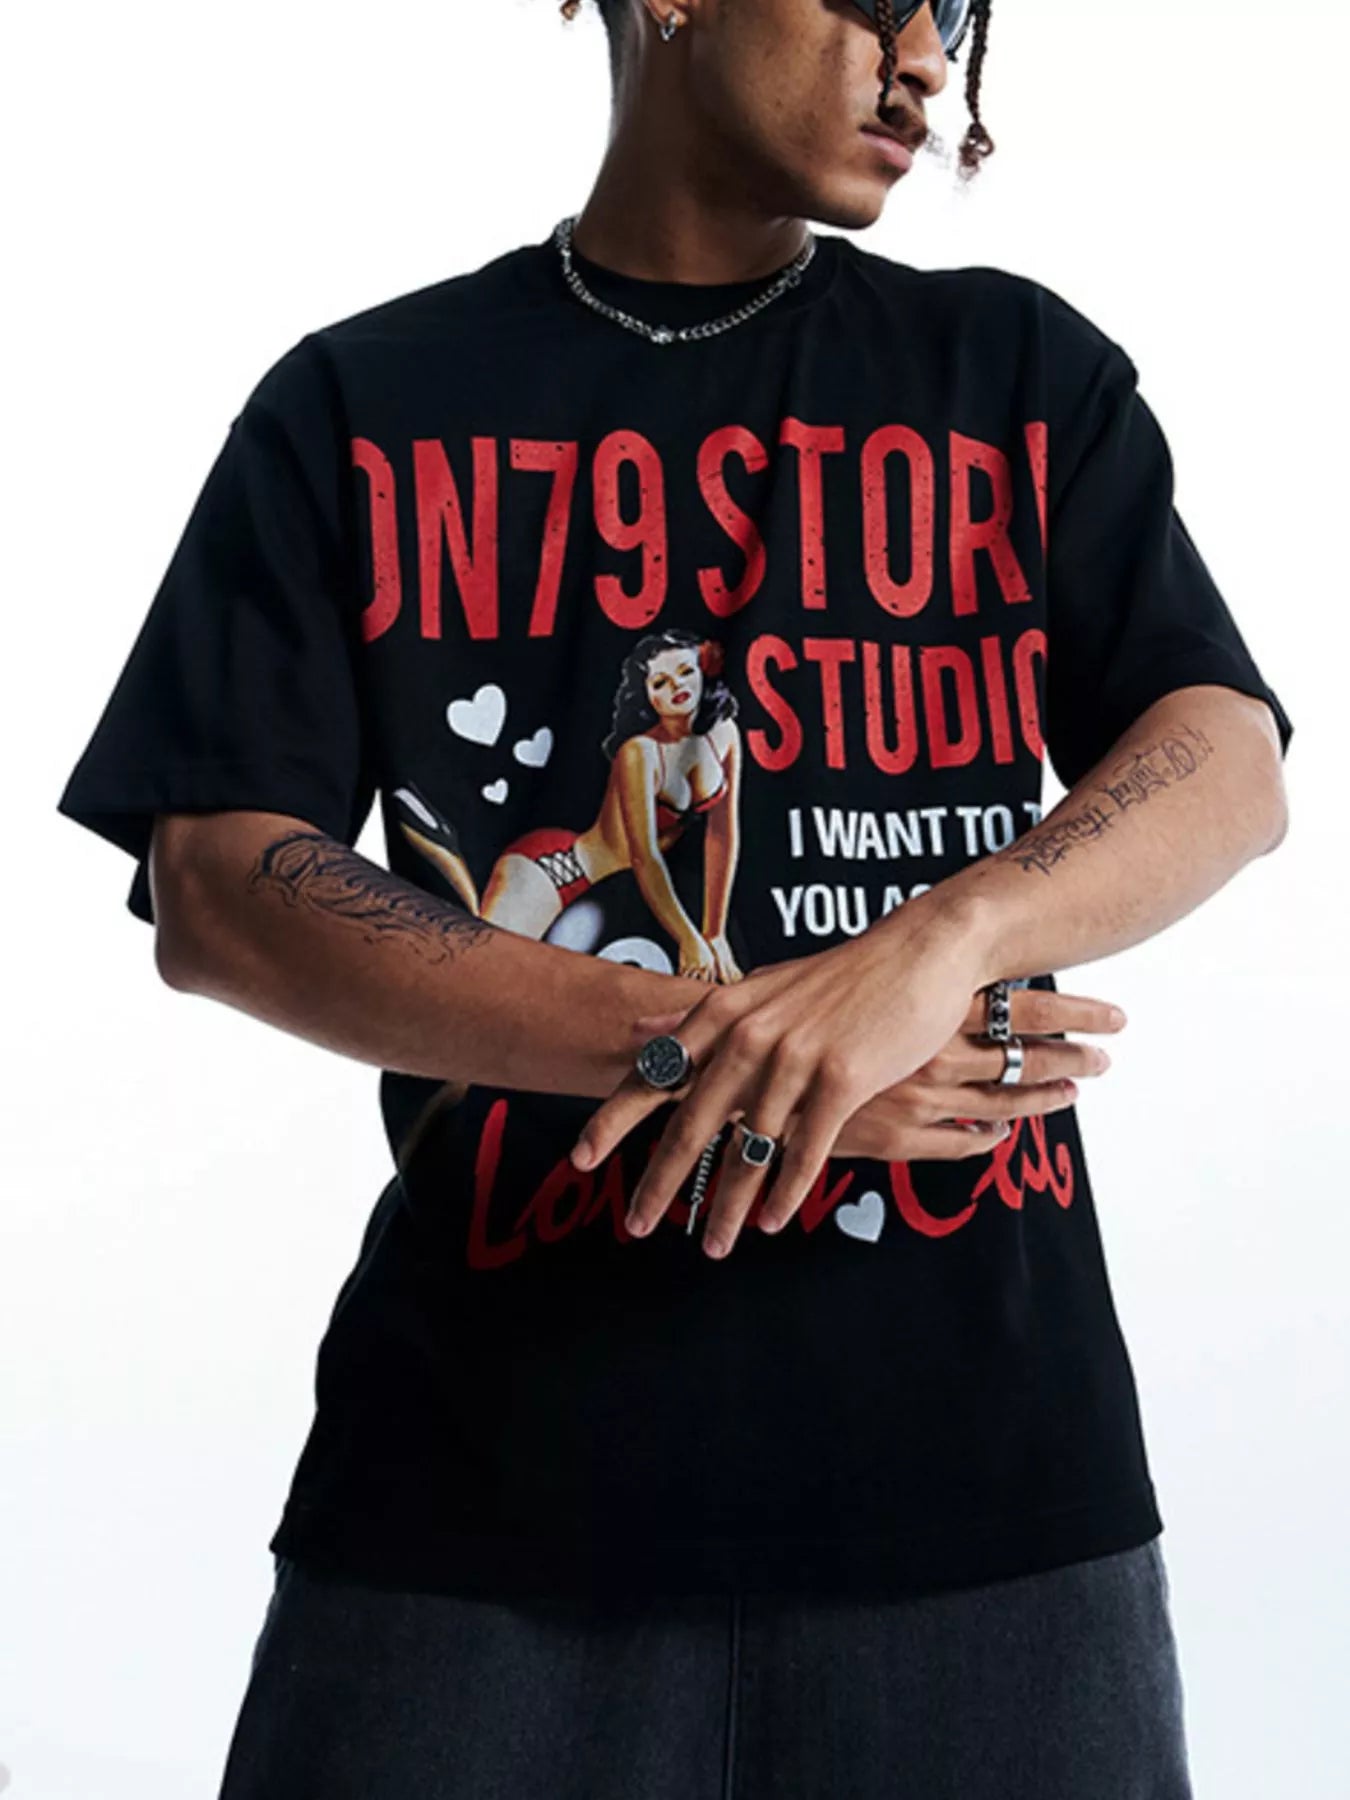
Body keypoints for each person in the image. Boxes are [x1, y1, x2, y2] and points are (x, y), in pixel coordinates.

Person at [55, 1, 1293, 1794]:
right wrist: (728, 1046)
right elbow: (221, 887)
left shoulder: (1015, 372)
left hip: (990, 1517)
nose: (926, 61)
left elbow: (1225, 755)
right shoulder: (364, 400)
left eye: (954, 16)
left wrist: (931, 947)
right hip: (476, 1514)